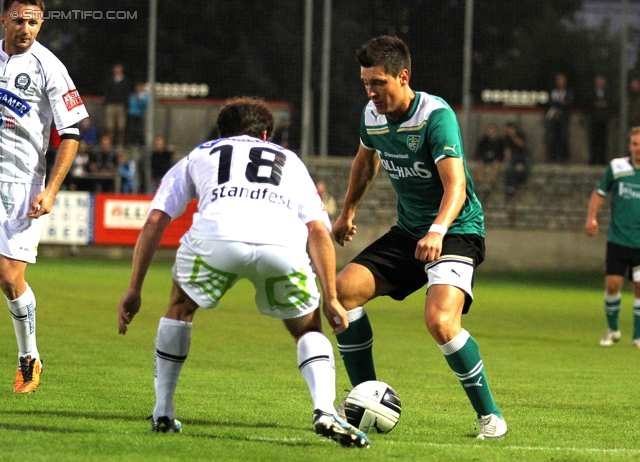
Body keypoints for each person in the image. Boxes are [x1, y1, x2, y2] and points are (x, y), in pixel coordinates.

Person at [116, 97, 370, 448]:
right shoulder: (289, 160)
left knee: (180, 308)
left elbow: (156, 220)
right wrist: (331, 298)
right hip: (280, 244)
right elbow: (317, 231)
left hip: (216, 239)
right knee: (308, 327)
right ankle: (324, 409)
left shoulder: (199, 154)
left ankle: (162, 411)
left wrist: (134, 288)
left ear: (222, 131)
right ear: (265, 134)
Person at [331, 35, 506, 439]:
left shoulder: (435, 115)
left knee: (440, 321)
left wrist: (437, 230)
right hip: (411, 232)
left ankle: (491, 416)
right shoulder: (371, 116)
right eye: (365, 84)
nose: (371, 92)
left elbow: (456, 186)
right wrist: (347, 211)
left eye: (378, 83)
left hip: (456, 230)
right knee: (342, 294)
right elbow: (365, 162)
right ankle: (365, 396)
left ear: (403, 76)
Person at [0, 0, 88, 393]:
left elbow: (71, 134)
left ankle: (29, 357)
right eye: (19, 19)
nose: (26, 28)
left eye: (33, 21)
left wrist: (51, 190)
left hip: (22, 184)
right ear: (4, 19)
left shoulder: (49, 66)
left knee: (7, 276)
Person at [585, 126, 640, 348]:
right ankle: (613, 330)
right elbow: (599, 192)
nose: (639, 148)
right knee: (613, 285)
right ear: (629, 146)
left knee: (639, 287)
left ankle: (637, 336)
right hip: (618, 238)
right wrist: (592, 218)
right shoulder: (617, 168)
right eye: (635, 144)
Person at [503, 122, 532, 226]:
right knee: (509, 169)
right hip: (514, 157)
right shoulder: (507, 139)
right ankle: (511, 185)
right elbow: (507, 151)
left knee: (526, 167)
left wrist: (514, 137)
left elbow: (522, 145)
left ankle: (522, 180)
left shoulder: (520, 135)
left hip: (523, 155)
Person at [544, 73, 574, 163]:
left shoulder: (569, 92)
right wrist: (559, 103)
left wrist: (561, 103)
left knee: (563, 137)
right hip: (553, 117)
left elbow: (569, 103)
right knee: (553, 137)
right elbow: (550, 103)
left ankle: (564, 158)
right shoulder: (552, 92)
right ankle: (553, 157)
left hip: (564, 117)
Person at [103, 63, 130, 147]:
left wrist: (125, 106)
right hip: (110, 105)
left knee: (121, 128)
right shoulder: (109, 80)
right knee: (109, 127)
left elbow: (127, 94)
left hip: (120, 106)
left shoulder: (125, 81)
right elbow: (106, 93)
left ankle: (119, 146)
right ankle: (109, 145)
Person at [588, 75, 613, 166]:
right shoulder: (591, 92)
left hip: (604, 120)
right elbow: (588, 103)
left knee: (603, 140)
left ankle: (602, 159)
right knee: (594, 140)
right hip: (594, 120)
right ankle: (593, 159)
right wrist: (596, 104)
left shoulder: (608, 93)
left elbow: (611, 103)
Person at [473, 123, 505, 195]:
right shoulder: (484, 140)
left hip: (495, 157)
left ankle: (492, 182)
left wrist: (494, 155)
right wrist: (486, 154)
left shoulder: (499, 141)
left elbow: (501, 151)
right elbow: (479, 150)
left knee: (496, 164)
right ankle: (479, 182)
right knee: (480, 163)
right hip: (484, 156)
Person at [126, 82, 148, 146]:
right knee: (132, 130)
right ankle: (131, 143)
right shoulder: (132, 96)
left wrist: (139, 101)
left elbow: (144, 104)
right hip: (133, 115)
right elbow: (131, 104)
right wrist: (139, 102)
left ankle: (141, 144)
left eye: (140, 86)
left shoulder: (146, 96)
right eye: (138, 86)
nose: (139, 88)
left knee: (140, 130)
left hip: (141, 115)